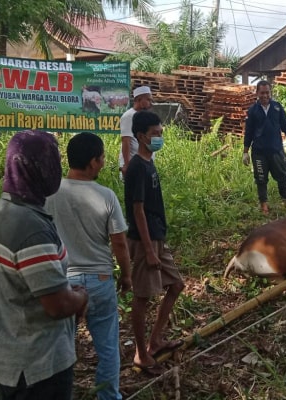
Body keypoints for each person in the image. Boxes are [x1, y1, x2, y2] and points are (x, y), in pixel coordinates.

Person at [0, 130, 88, 399]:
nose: (58, 168)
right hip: (38, 367)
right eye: (53, 160)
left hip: (10, 356)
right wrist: (80, 297)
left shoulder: (1, 209)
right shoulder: (30, 227)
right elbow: (57, 305)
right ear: (38, 167)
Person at [45, 132, 132, 400]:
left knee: (60, 346)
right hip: (100, 280)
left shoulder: (50, 194)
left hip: (62, 281)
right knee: (107, 346)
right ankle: (108, 396)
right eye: (103, 157)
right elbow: (119, 243)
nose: (104, 162)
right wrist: (126, 276)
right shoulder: (106, 196)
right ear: (93, 162)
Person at [124, 110, 185, 375]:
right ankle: (140, 353)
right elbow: (137, 210)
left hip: (158, 235)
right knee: (142, 296)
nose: (159, 138)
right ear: (141, 136)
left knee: (176, 285)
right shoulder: (137, 167)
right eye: (155, 134)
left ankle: (156, 339)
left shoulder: (150, 163)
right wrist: (148, 250)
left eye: (161, 133)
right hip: (144, 240)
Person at [242, 80, 286, 214]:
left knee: (282, 176)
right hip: (259, 152)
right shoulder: (253, 111)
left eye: (267, 92)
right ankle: (264, 205)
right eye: (262, 93)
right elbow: (249, 132)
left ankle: (285, 201)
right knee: (261, 179)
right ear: (257, 93)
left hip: (276, 150)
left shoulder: (277, 108)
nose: (265, 95)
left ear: (271, 92)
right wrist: (245, 152)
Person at [119, 86, 154, 177]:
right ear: (139, 99)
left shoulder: (145, 116)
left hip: (145, 163)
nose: (151, 103)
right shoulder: (129, 116)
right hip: (133, 163)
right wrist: (127, 166)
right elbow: (126, 141)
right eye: (148, 100)